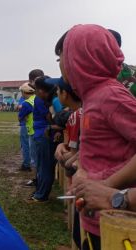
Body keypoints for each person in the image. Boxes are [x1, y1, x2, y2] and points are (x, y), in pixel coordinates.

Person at [58, 24, 136, 249]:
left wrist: (107, 185)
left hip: (114, 223)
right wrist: (83, 168)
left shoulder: (111, 95)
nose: (62, 64)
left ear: (80, 58)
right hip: (95, 217)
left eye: (62, 56)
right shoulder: (92, 97)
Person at [18, 82, 36, 172]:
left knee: (26, 146)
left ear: (24, 92)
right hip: (39, 129)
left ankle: (26, 164)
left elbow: (20, 117)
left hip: (31, 129)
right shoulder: (37, 99)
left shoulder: (26, 103)